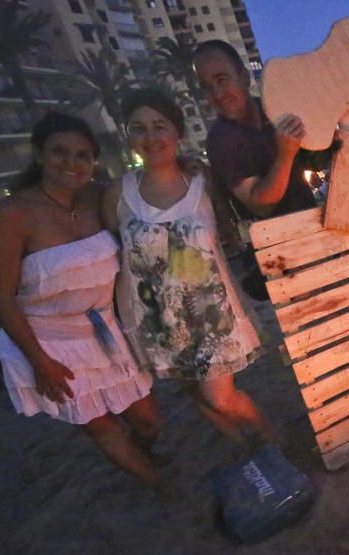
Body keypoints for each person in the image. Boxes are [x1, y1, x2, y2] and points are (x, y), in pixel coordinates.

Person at [0, 112, 162, 488]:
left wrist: (186, 164)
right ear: (38, 154)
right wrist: (39, 361)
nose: (72, 163)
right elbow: (0, 296)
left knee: (147, 420)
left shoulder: (99, 195)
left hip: (104, 329)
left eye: (83, 155)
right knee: (100, 425)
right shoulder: (11, 214)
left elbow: (149, 188)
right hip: (48, 339)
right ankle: (160, 487)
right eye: (60, 152)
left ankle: (142, 457)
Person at [101, 88, 275, 449]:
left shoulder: (202, 181)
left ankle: (273, 446)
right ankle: (249, 455)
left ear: (177, 132)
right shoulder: (117, 192)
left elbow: (228, 235)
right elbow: (115, 253)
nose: (151, 137)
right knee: (197, 397)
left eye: (160, 126)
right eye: (139, 128)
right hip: (156, 320)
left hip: (210, 317)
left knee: (220, 397)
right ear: (128, 136)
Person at [191, 39, 314, 300]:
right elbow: (261, 203)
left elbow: (320, 153)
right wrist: (286, 154)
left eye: (222, 79)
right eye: (207, 87)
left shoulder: (273, 109)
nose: (217, 93)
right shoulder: (222, 139)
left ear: (244, 77)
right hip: (283, 259)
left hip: (317, 235)